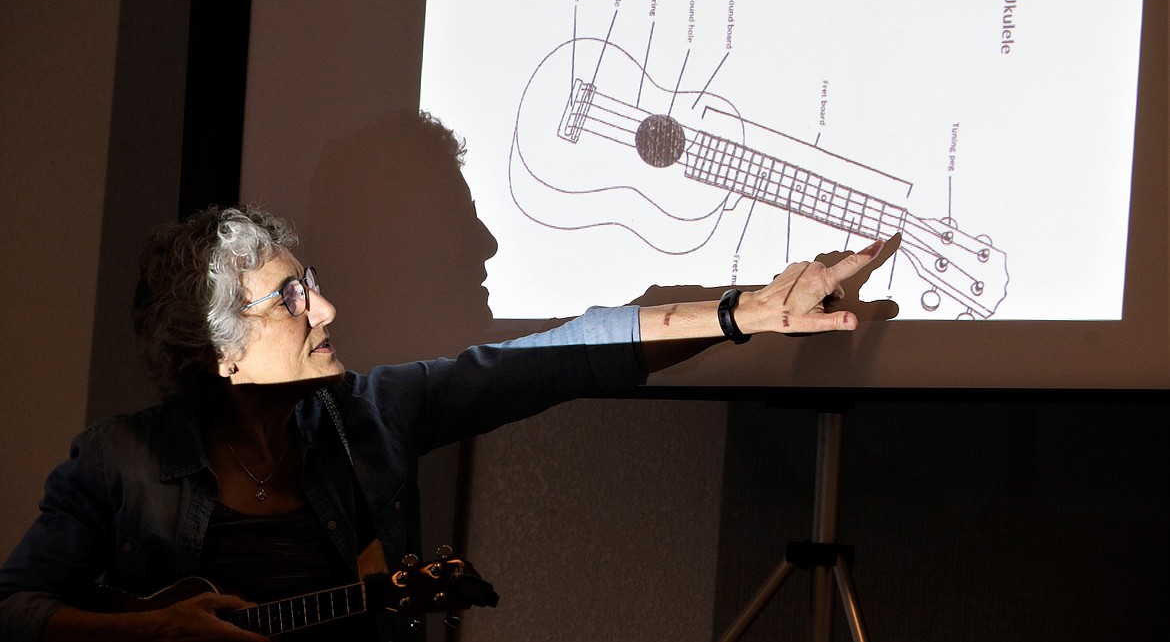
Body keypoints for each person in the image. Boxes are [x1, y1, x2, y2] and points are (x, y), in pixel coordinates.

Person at [0, 204, 885, 642]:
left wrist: (746, 312)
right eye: (291, 297)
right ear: (218, 350)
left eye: (315, 283)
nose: (328, 307)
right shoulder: (120, 462)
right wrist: (140, 632)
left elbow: (565, 353)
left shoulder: (372, 417)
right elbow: (13, 606)